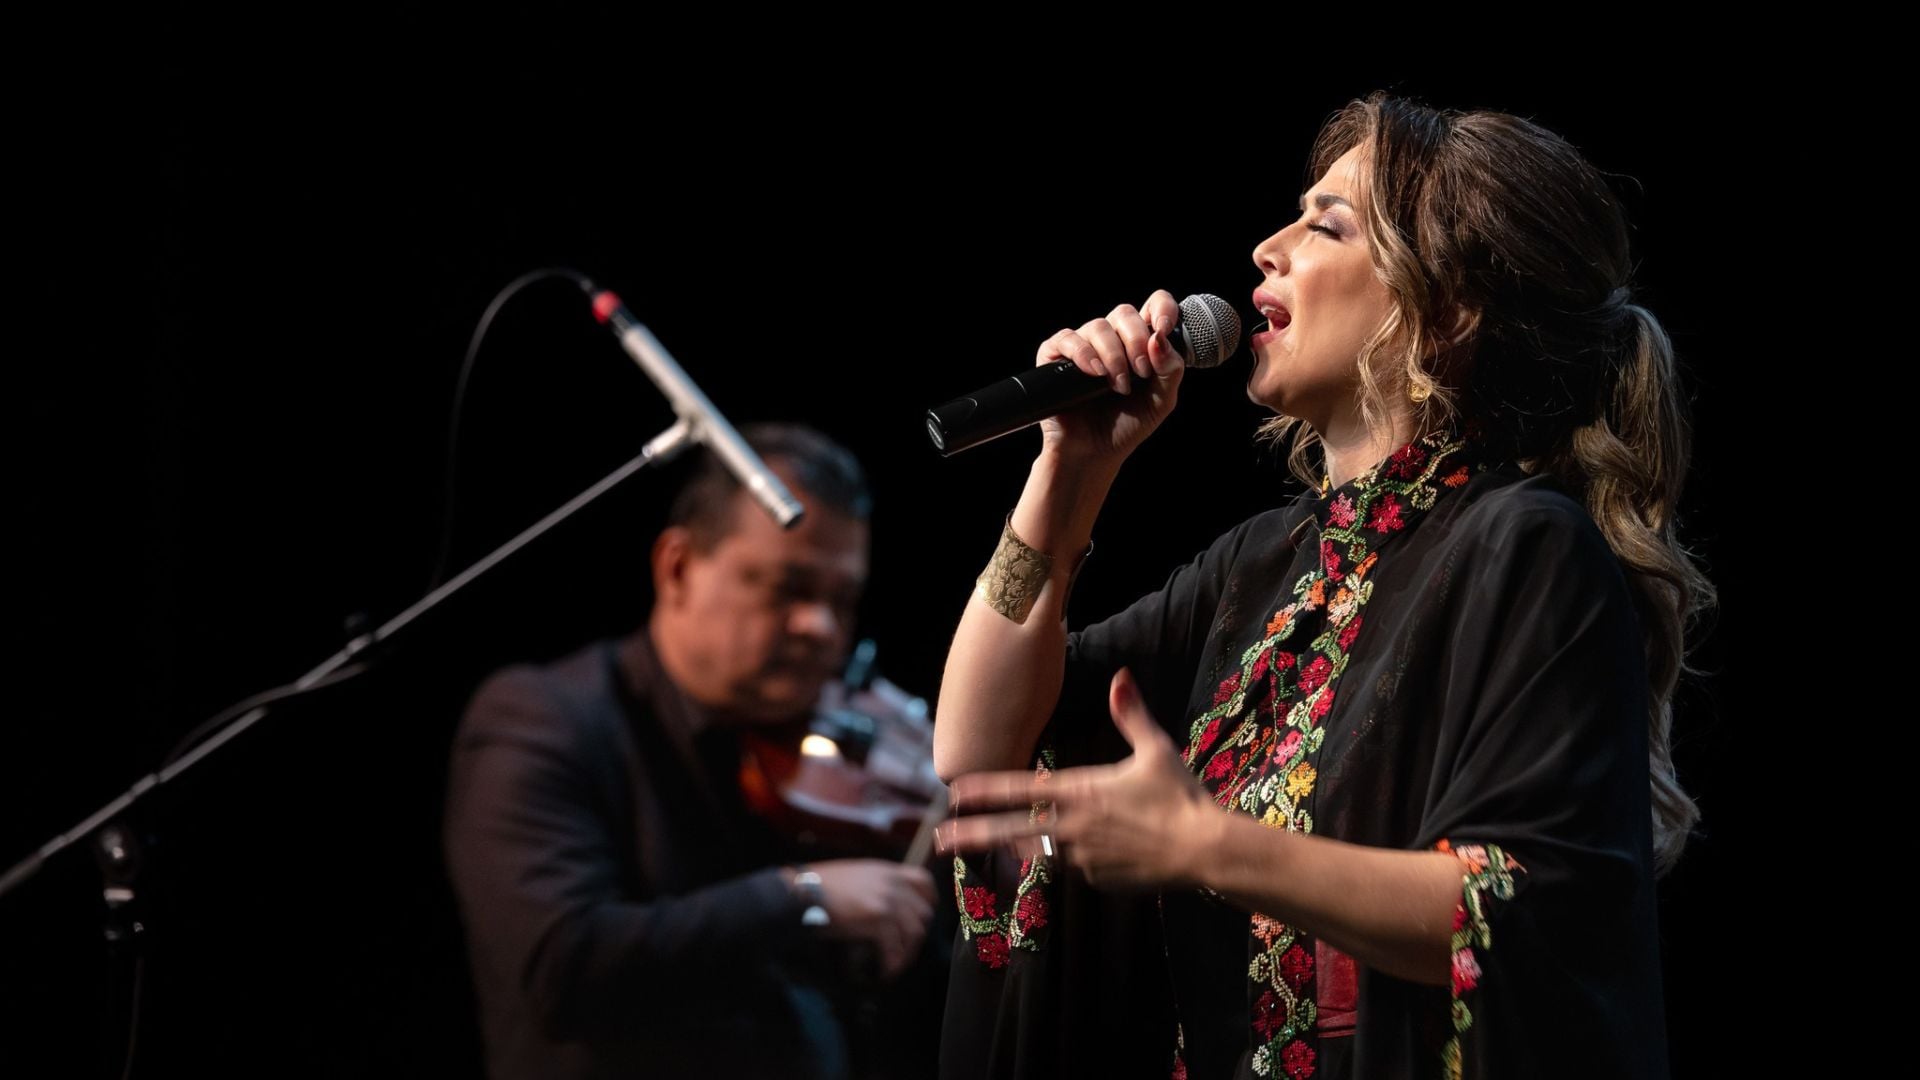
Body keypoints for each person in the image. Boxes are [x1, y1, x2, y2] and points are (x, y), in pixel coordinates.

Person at [932, 92, 1713, 1079]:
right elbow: (977, 747)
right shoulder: (1261, 566)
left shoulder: (1525, 547)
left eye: (1326, 226)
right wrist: (1069, 473)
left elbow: (1528, 907)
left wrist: (1206, 846)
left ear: (1448, 308)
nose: (1268, 248)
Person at [445, 423, 939, 1080]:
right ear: (676, 567)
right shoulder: (544, 719)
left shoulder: (828, 753)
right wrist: (800, 897)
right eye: (787, 587)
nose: (821, 628)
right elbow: (561, 962)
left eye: (842, 601)